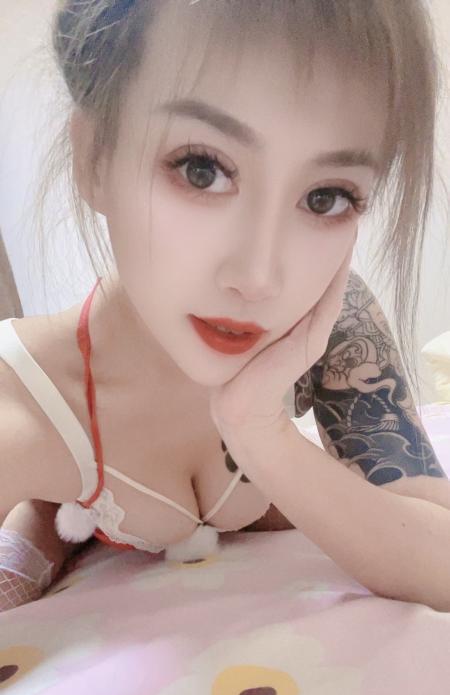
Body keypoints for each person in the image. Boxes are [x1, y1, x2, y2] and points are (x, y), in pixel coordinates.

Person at [0, 0, 449, 612]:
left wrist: (260, 430)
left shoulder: (330, 324)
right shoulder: (24, 402)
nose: (259, 279)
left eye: (326, 197)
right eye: (202, 169)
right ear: (95, 159)